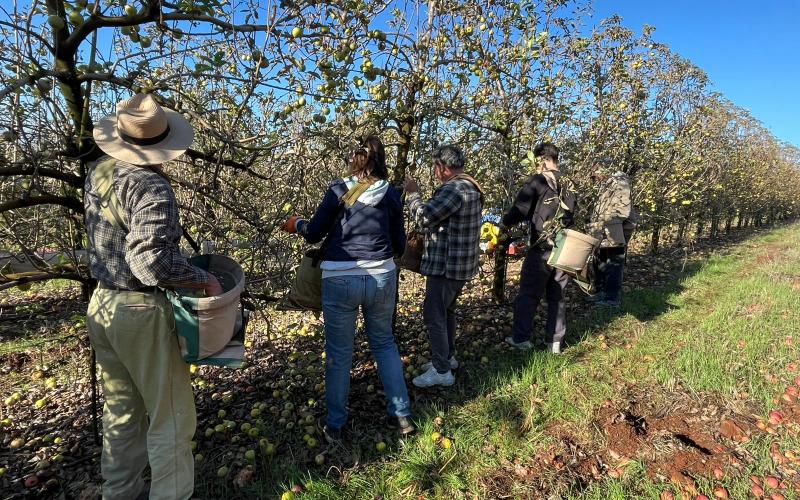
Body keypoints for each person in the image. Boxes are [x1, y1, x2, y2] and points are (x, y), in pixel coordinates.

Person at [86, 93, 222, 500]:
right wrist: (201, 280)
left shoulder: (100, 172)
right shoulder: (150, 186)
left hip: (103, 305)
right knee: (172, 420)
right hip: (140, 310)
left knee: (122, 414)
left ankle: (119, 493)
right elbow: (150, 264)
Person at [281, 136, 414, 441]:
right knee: (384, 343)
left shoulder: (339, 190)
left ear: (356, 159)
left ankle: (335, 424)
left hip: (339, 277)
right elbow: (399, 243)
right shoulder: (391, 194)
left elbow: (314, 233)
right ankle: (402, 416)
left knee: (340, 353)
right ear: (382, 161)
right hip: (381, 276)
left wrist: (297, 224)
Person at [404, 145, 484, 387]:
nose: (434, 172)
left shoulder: (454, 189)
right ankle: (447, 358)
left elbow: (425, 217)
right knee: (447, 311)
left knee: (434, 315)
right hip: (460, 265)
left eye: (435, 167)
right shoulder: (471, 185)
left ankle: (441, 371)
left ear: (443, 167)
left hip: (447, 267)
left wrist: (413, 194)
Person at [502, 142, 576, 354]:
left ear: (541, 160)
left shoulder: (539, 181)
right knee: (558, 295)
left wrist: (504, 223)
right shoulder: (569, 184)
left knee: (529, 293)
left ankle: (521, 338)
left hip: (542, 247)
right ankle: (554, 342)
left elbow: (520, 209)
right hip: (565, 246)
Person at [588, 158, 638, 308]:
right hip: (603, 230)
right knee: (601, 262)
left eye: (596, 172)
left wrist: (606, 225)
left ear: (603, 168)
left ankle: (611, 299)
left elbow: (622, 210)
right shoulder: (606, 184)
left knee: (614, 263)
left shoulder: (619, 181)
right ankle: (601, 292)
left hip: (615, 230)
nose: (595, 176)